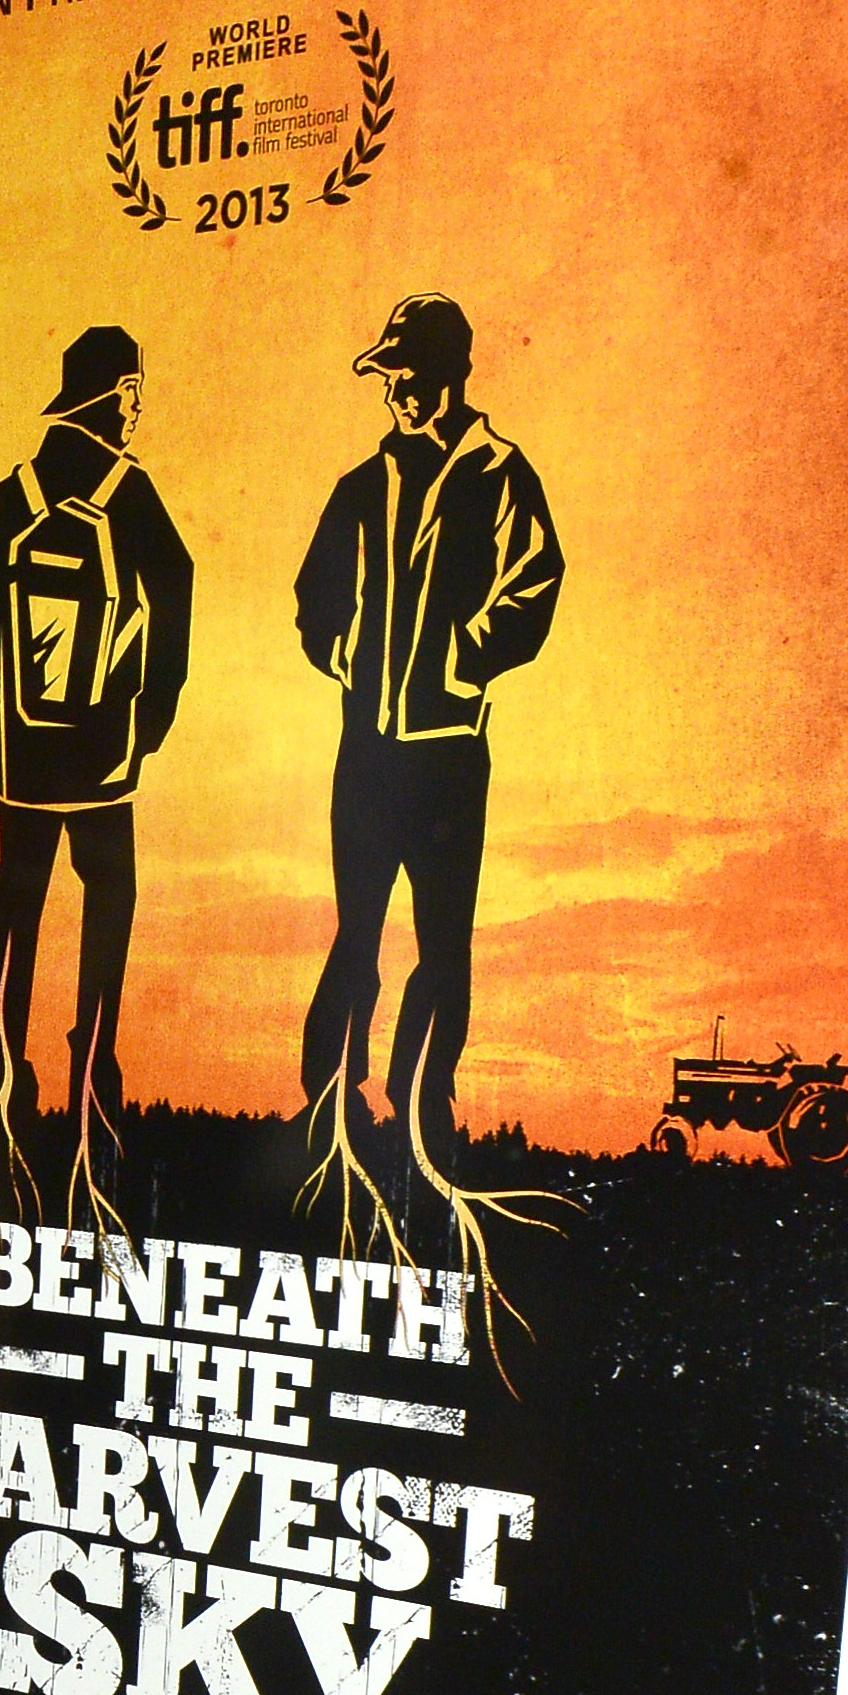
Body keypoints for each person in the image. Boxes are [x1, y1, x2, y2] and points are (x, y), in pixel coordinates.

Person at [293, 293, 564, 1173]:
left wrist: (464, 661)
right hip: (366, 754)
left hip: (450, 755)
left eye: (405, 376)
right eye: (387, 379)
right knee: (355, 935)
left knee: (444, 942)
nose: (394, 395)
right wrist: (341, 653)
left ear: (449, 372)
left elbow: (535, 584)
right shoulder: (361, 486)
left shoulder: (501, 474)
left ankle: (424, 1112)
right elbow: (313, 597)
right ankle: (330, 1108)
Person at [0, 323, 190, 1152]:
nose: (138, 410)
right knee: (110, 904)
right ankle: (92, 1080)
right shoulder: (126, 489)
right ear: (109, 396)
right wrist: (152, 717)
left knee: (16, 907)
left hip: (22, 758)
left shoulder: (14, 490)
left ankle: (1, 1079)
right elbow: (179, 581)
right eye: (132, 393)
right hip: (103, 760)